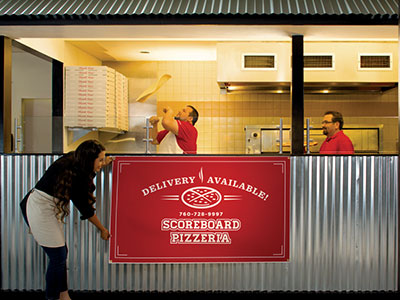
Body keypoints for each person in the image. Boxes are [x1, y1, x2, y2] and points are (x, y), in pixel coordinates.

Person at [20, 140, 112, 300]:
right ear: (89, 160)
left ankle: (63, 295)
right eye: (100, 159)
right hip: (39, 207)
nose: (103, 163)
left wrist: (101, 164)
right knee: (58, 256)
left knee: (60, 255)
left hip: (47, 207)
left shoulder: (74, 161)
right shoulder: (75, 176)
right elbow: (86, 209)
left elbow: (86, 174)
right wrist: (102, 229)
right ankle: (52, 297)